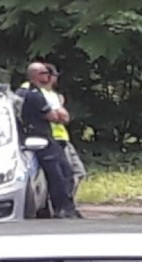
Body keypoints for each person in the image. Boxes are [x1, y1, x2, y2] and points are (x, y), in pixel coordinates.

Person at [19, 61, 79, 219]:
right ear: (38, 75)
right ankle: (63, 208)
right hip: (41, 139)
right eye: (46, 73)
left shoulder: (23, 92)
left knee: (59, 173)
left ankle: (58, 207)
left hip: (35, 138)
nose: (49, 76)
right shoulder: (35, 95)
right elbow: (54, 116)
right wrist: (56, 112)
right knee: (60, 174)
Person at [44, 62, 87, 202]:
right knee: (71, 173)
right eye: (55, 75)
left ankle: (66, 202)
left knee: (75, 172)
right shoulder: (47, 94)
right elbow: (64, 117)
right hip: (56, 139)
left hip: (60, 138)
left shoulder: (47, 94)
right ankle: (65, 203)